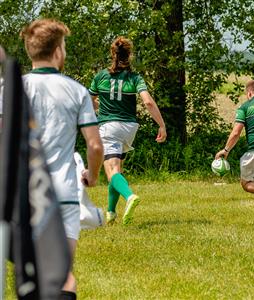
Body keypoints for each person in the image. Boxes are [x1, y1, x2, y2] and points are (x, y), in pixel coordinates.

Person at [20, 19, 104, 300]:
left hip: (24, 192)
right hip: (64, 192)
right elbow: (94, 145)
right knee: (63, 273)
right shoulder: (76, 90)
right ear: (57, 51)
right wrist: (92, 176)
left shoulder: (10, 88)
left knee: (29, 273)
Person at [89, 36, 167, 225]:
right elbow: (147, 101)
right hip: (129, 128)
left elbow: (88, 102)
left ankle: (130, 196)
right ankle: (111, 213)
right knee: (117, 169)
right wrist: (162, 124)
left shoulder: (101, 76)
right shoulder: (135, 78)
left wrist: (102, 105)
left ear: (112, 53)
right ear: (129, 55)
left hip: (109, 127)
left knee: (111, 171)